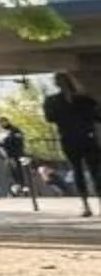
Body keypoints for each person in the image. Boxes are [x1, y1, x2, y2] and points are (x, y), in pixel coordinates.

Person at [43, 73, 101, 216]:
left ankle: (87, 205)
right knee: (91, 172)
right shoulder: (82, 99)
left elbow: (50, 118)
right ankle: (93, 203)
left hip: (73, 139)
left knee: (82, 171)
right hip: (83, 138)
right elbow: (98, 117)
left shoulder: (53, 101)